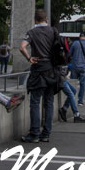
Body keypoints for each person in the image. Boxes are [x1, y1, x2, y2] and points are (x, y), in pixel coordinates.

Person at [19, 9, 62, 143]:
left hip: (38, 69)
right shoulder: (53, 31)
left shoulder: (32, 32)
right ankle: (46, 133)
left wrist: (29, 58)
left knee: (35, 102)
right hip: (51, 69)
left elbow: (22, 47)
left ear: (35, 20)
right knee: (49, 102)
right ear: (46, 19)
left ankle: (34, 133)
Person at [68, 33, 85, 105]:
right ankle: (80, 100)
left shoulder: (75, 43)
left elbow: (69, 54)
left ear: (79, 37)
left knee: (73, 83)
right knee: (82, 84)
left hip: (75, 66)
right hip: (83, 67)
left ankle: (72, 99)